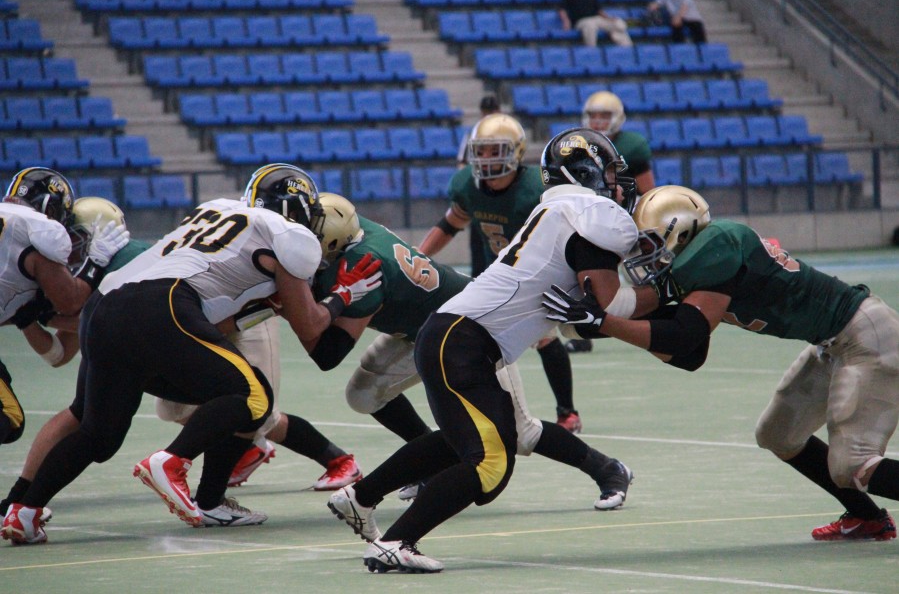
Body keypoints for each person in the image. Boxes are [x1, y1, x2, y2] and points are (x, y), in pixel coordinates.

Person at [1, 163, 383, 545]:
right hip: (161, 304)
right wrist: (343, 295)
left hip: (103, 309)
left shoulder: (215, 209)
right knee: (254, 395)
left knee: (99, 433)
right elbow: (310, 326)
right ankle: (172, 462)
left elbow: (214, 315)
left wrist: (263, 306)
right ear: (300, 210)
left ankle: (26, 511)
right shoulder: (290, 234)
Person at [326, 128, 652, 573]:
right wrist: (666, 297)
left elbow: (592, 313)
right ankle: (396, 542)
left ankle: (359, 497)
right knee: (491, 464)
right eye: (610, 171)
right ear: (585, 172)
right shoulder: (591, 213)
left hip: (455, 335)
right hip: (464, 340)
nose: (618, 182)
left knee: (466, 441)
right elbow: (609, 306)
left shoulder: (561, 211)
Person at [543, 185, 899, 542]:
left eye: (649, 245)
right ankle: (866, 517)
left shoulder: (718, 244)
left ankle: (869, 512)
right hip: (833, 342)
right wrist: (590, 322)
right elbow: (690, 354)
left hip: (865, 337)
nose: (644, 256)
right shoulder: (702, 265)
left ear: (680, 231)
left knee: (852, 464)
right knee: (778, 434)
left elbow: (684, 338)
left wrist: (604, 323)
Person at [310, 193, 634, 511]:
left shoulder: (362, 264)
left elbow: (328, 354)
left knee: (522, 433)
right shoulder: (349, 224)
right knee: (363, 395)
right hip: (423, 331)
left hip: (471, 331)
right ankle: (430, 465)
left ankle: (607, 468)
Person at [418, 113, 584, 433]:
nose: (486, 158)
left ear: (516, 152)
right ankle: (490, 411)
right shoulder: (467, 185)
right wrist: (418, 256)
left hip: (536, 272)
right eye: (481, 150)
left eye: (495, 150)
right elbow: (450, 223)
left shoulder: (536, 189)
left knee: (544, 337)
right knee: (478, 338)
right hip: (495, 274)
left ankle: (567, 412)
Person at [0, 168, 129, 448]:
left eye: (78, 238)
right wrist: (94, 262)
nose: (70, 249)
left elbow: (61, 349)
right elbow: (70, 305)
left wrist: (36, 316)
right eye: (70, 237)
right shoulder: (38, 230)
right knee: (8, 417)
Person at [567, 90, 656, 354]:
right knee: (586, 275)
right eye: (593, 115)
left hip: (625, 217)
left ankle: (653, 318)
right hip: (591, 218)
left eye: (604, 115)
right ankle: (584, 328)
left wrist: (643, 221)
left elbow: (648, 192)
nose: (598, 121)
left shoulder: (632, 145)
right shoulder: (578, 144)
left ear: (617, 117)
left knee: (642, 270)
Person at [457, 93, 502, 279]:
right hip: (481, 193)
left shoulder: (507, 134)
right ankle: (477, 279)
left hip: (502, 194)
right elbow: (462, 164)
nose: (489, 115)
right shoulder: (473, 135)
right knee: (478, 241)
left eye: (492, 111)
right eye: (486, 112)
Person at [559, 0, 633, 48]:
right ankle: (591, 50)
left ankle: (628, 48)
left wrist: (609, 18)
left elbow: (599, 10)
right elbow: (562, 10)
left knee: (618, 23)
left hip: (596, 18)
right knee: (590, 25)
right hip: (581, 21)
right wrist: (566, 21)